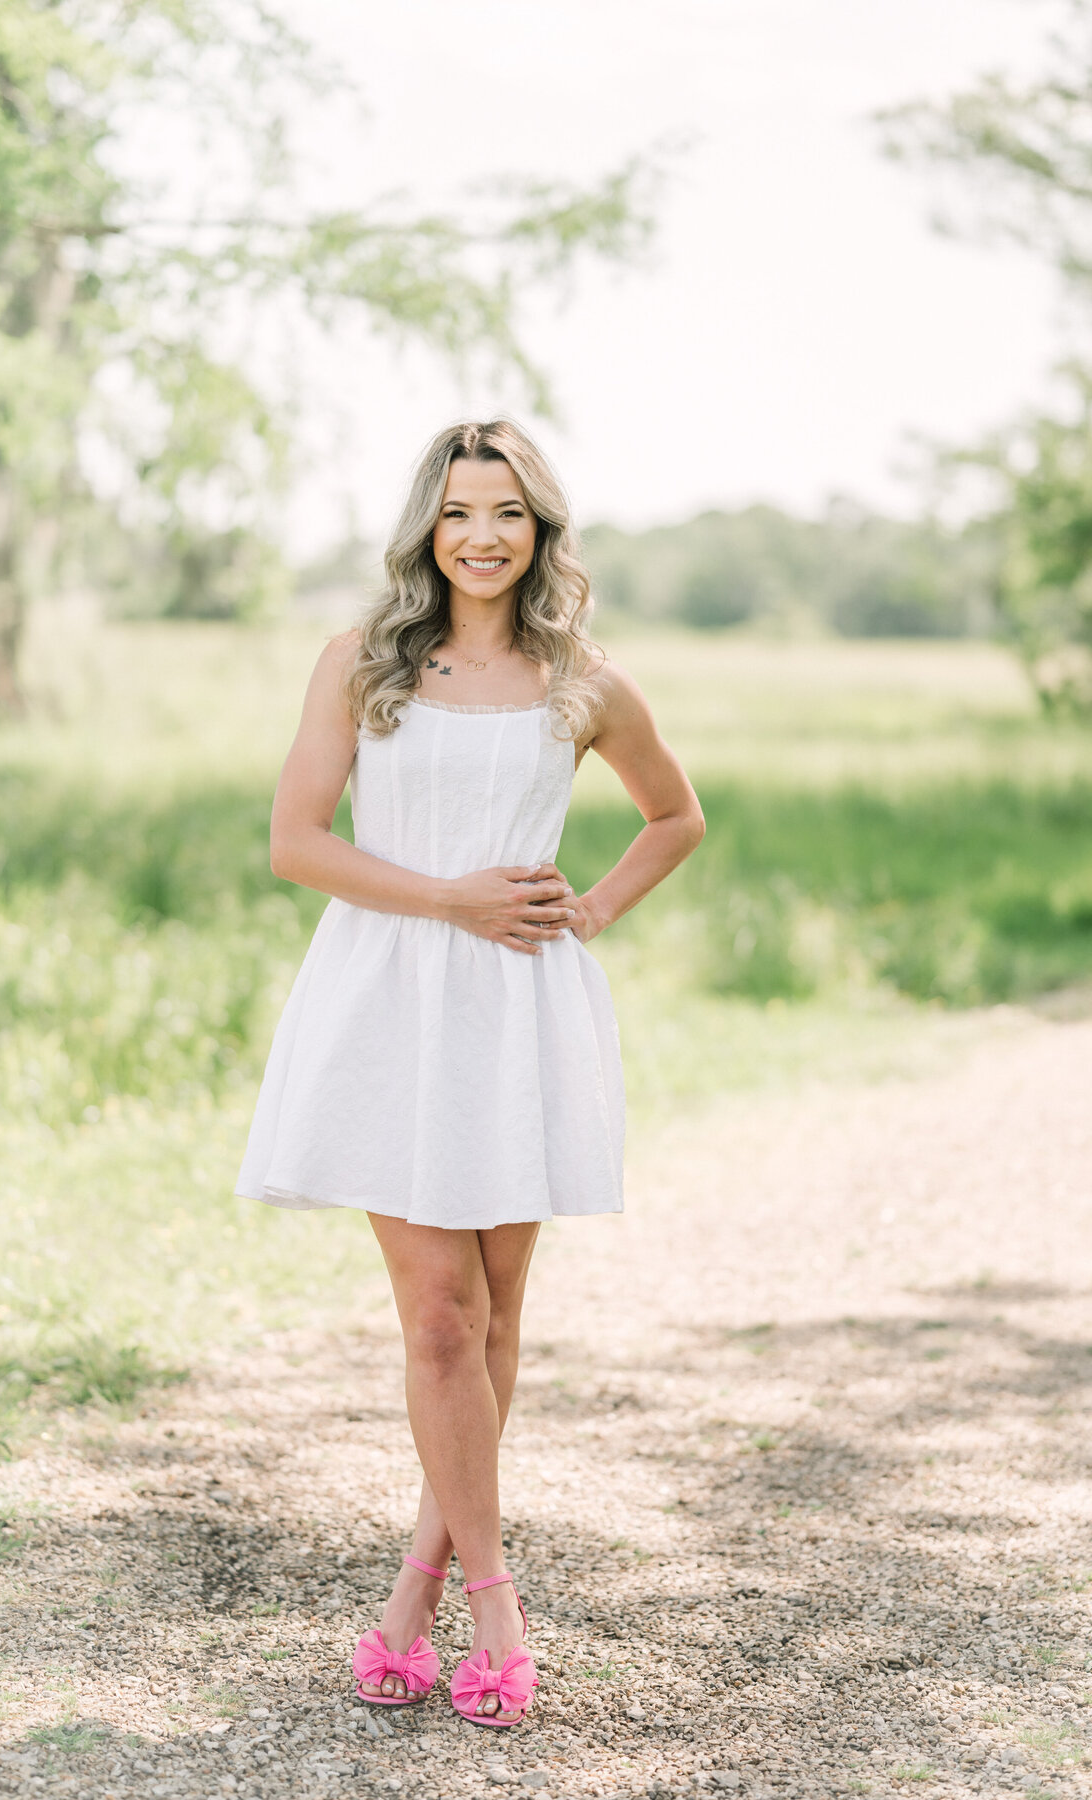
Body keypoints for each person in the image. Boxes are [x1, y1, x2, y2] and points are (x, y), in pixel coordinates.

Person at [236, 418, 705, 1728]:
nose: (481, 536)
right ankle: (494, 1605)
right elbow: (294, 843)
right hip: (391, 995)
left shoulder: (583, 681)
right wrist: (447, 898)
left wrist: (593, 912)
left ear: (540, 529)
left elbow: (678, 817)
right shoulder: (364, 663)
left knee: (495, 1319)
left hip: (520, 1010)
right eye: (458, 512)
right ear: (426, 528)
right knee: (439, 1316)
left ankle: (410, 1598)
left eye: (507, 512)